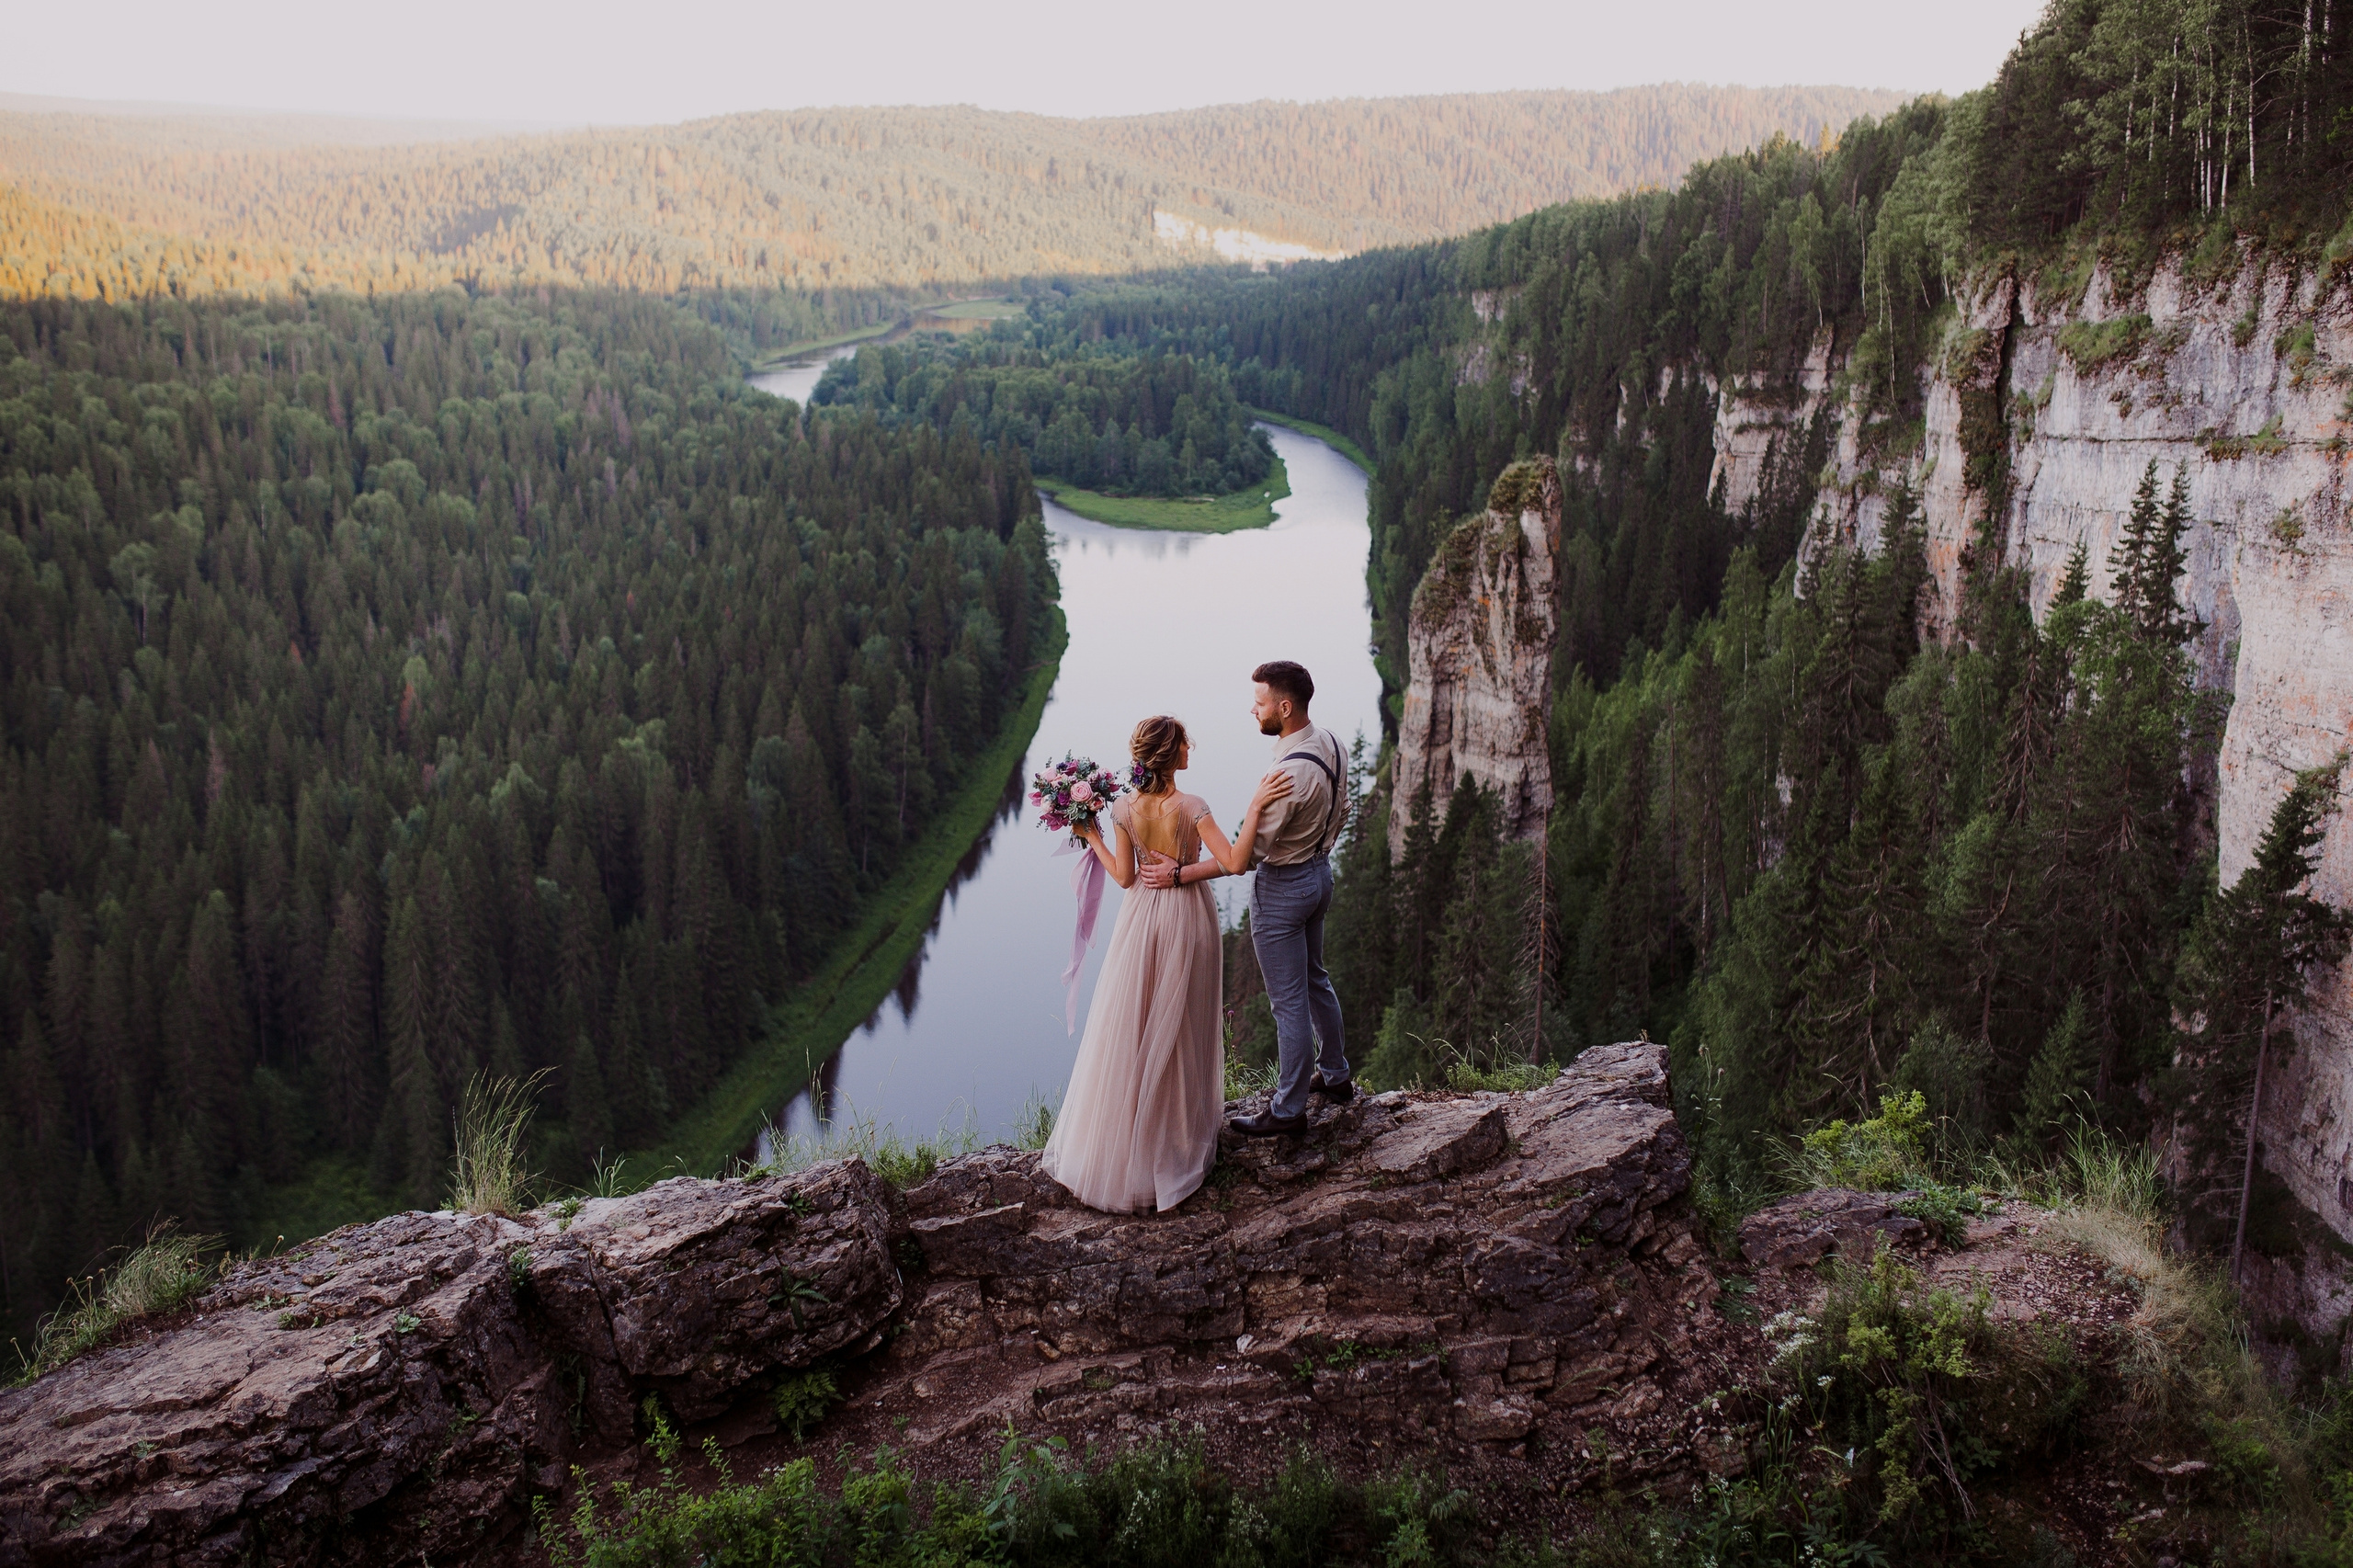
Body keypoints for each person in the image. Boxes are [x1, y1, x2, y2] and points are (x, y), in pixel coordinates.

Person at [1041, 716, 1292, 1211]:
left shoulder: (1122, 808)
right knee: (1182, 1029)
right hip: (1185, 918)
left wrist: (1089, 833)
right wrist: (1257, 805)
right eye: (1184, 743)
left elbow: (1124, 877)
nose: (1189, 749)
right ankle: (1175, 1148)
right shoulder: (1192, 807)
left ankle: (1131, 1152)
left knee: (1133, 1028)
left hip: (1138, 924)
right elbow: (1235, 862)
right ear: (1170, 753)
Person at [1140, 660, 1350, 1137]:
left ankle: (1289, 1109)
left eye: (1259, 704)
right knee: (1316, 979)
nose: (1251, 711)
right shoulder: (1330, 742)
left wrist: (1180, 875)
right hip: (1320, 875)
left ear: (1284, 706)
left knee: (1288, 1002)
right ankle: (1336, 1076)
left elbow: (1242, 859)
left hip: (1284, 890)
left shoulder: (1287, 776)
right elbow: (1342, 808)